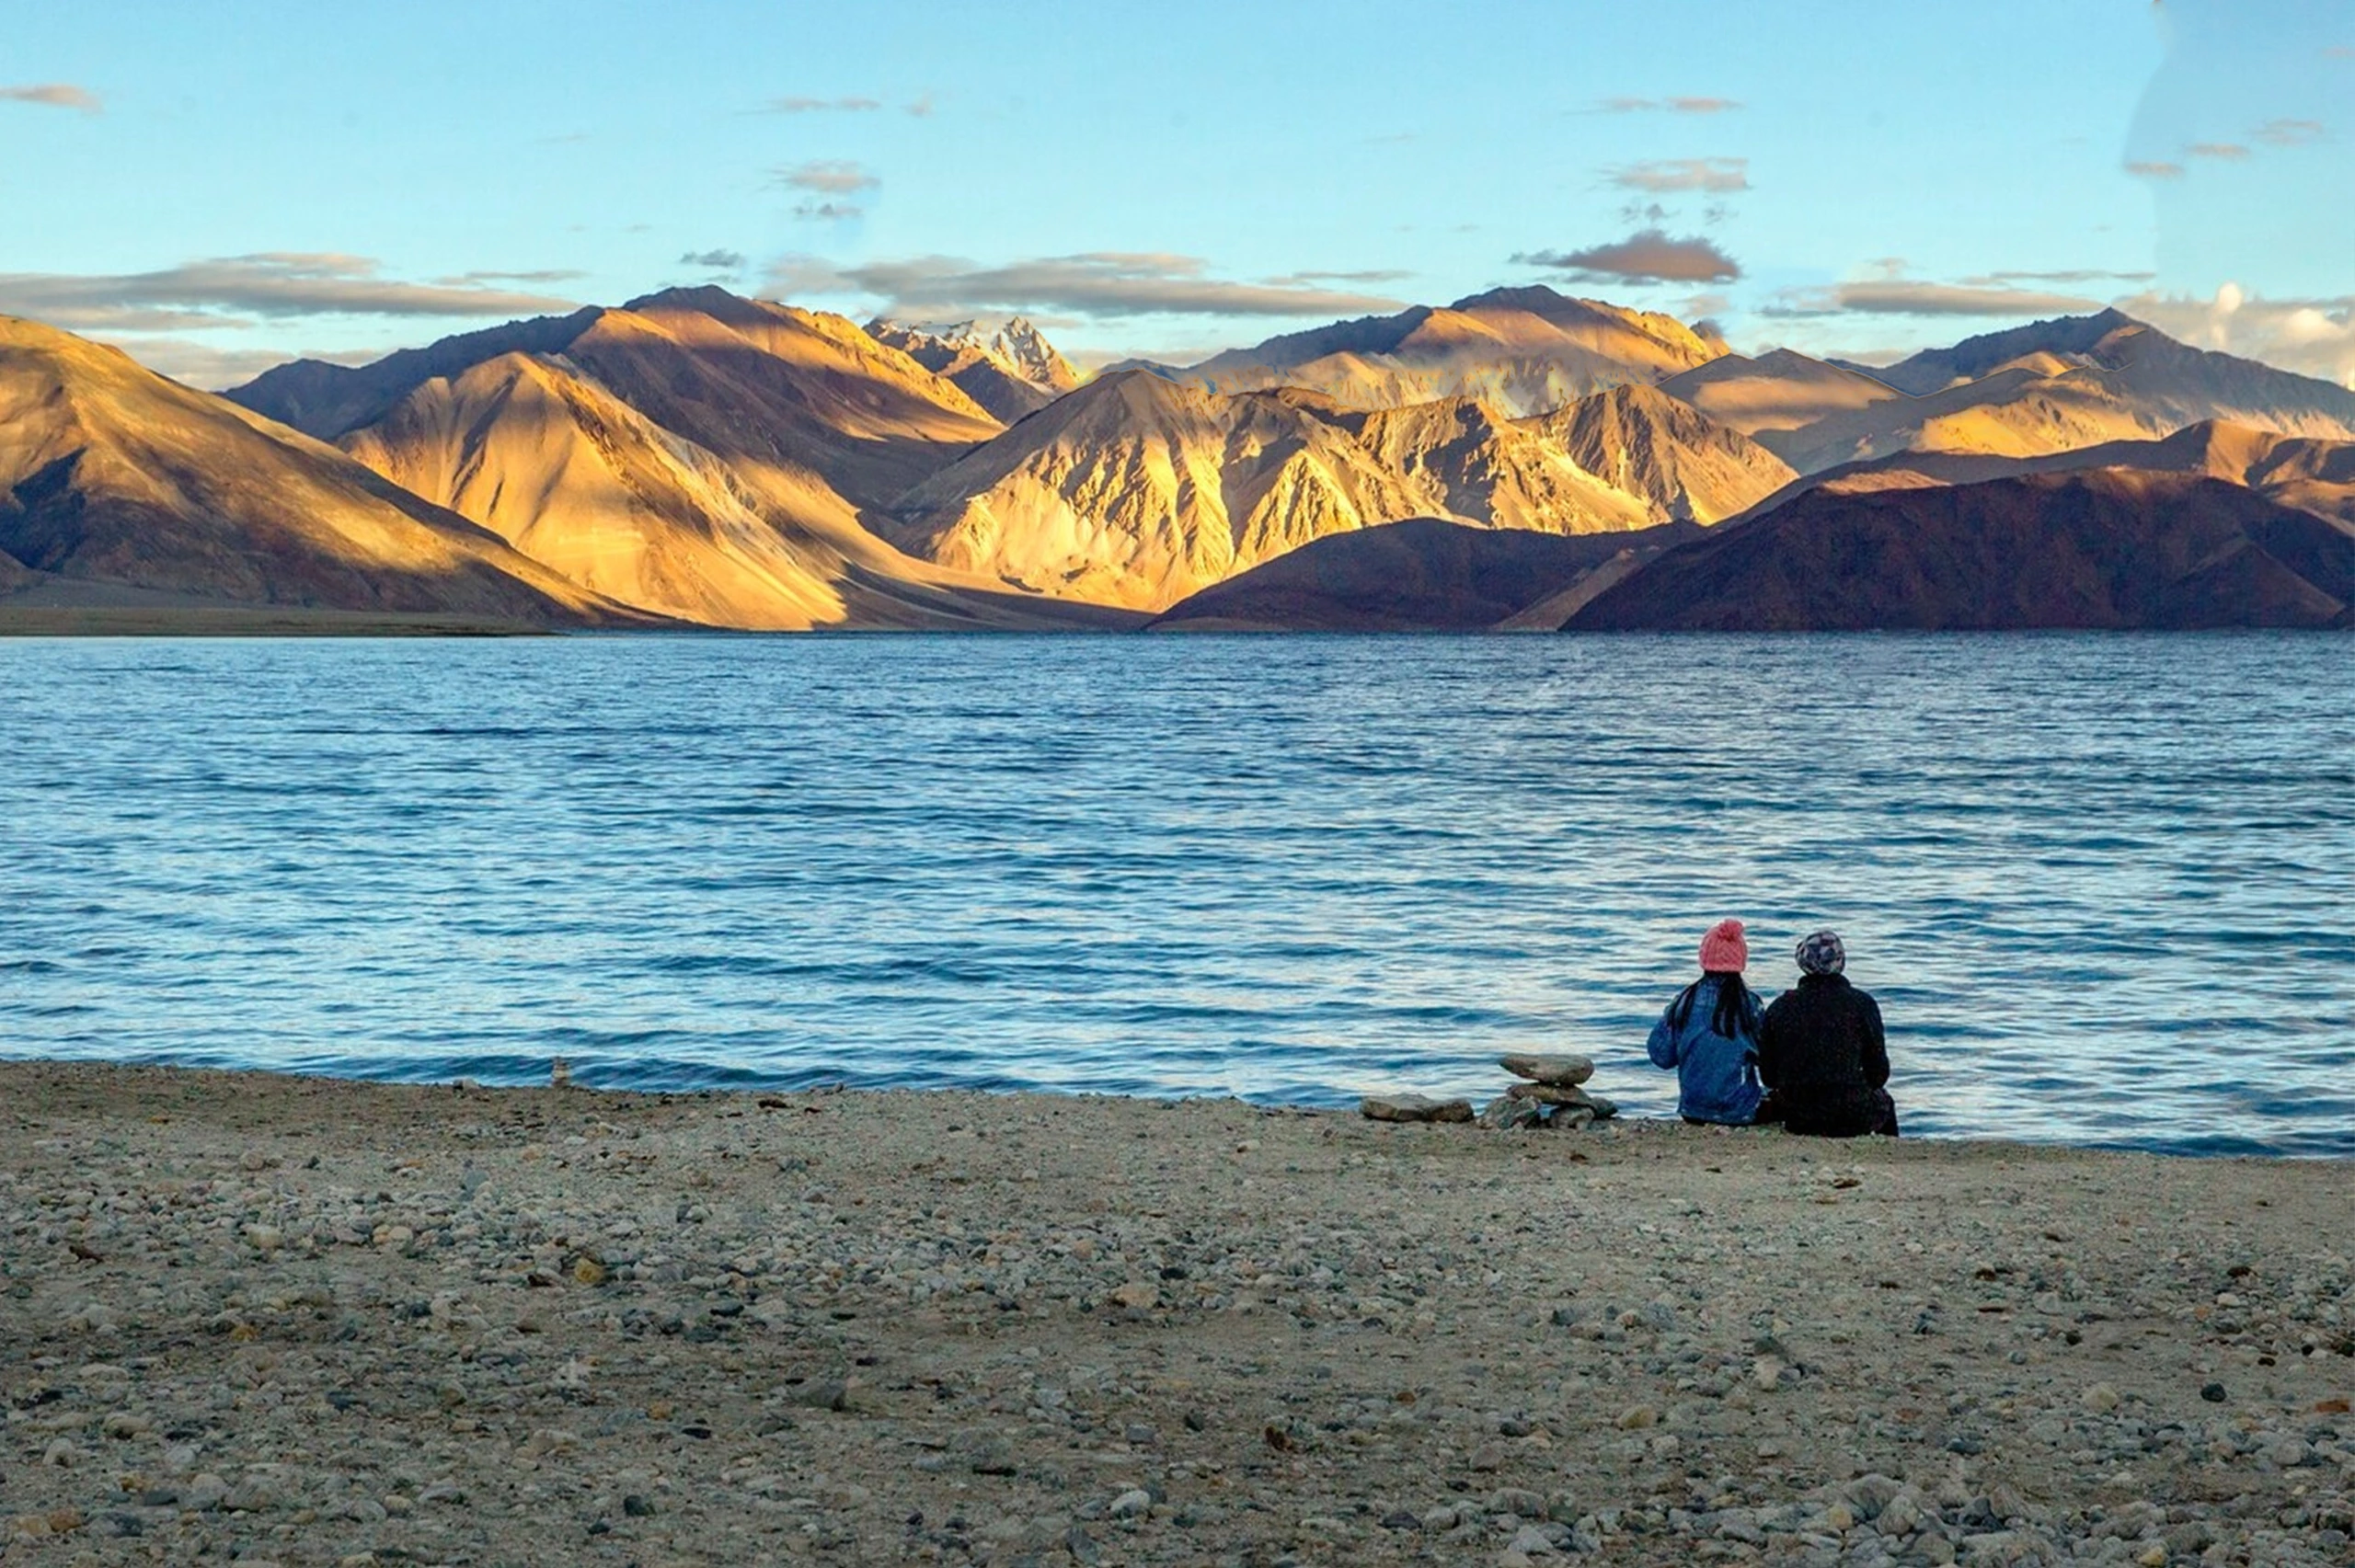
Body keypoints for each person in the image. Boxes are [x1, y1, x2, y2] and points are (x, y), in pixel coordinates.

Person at [1757, 930, 1901, 1138]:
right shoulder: (1863, 1004)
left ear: (1802, 963)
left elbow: (1769, 1077)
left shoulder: (1780, 1007)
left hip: (1797, 1115)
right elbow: (1879, 1075)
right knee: (1885, 1102)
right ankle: (1890, 1153)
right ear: (1840, 963)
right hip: (1852, 1114)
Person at [1647, 918, 1767, 1126]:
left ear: (1703, 958)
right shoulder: (1750, 1004)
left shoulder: (1684, 1002)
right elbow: (1767, 1057)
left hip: (1691, 1110)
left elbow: (1661, 1056)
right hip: (1738, 1112)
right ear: (1741, 959)